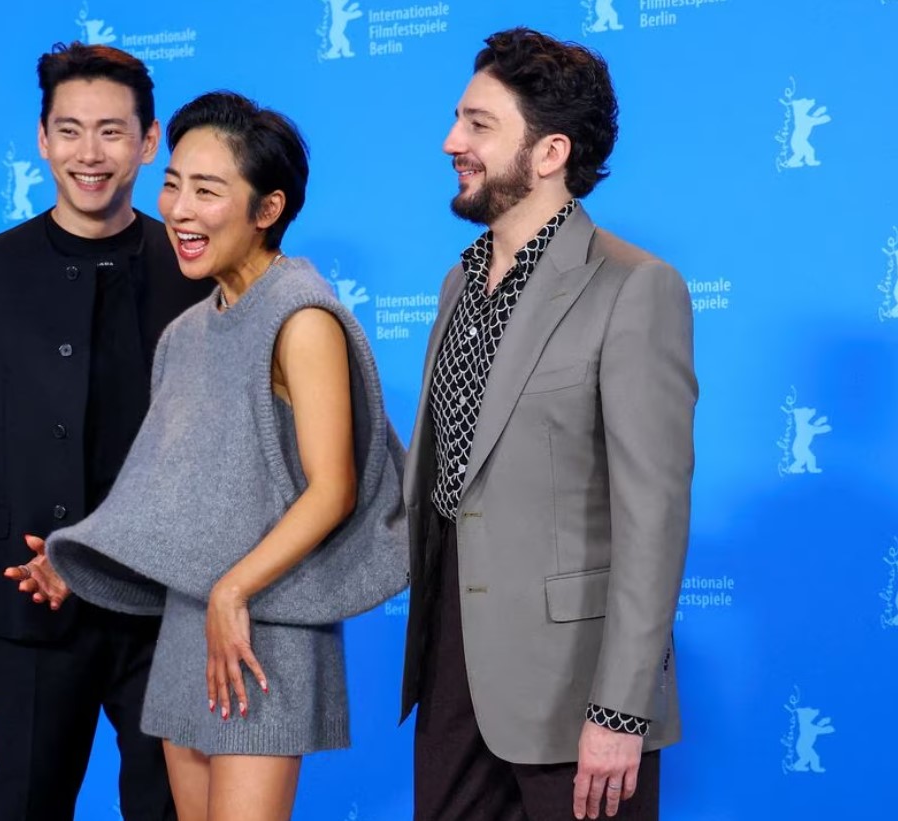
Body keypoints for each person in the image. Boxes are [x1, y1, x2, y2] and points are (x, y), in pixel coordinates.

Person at [6, 91, 408, 821]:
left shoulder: (302, 314)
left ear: (267, 208)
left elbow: (334, 489)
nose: (181, 210)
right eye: (174, 184)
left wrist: (233, 591)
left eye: (208, 190)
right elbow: (163, 498)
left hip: (265, 625)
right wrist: (74, 560)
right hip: (190, 625)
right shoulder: (185, 334)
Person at [399, 28, 697, 821]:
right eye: (458, 119)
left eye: (477, 124)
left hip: (576, 688)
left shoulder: (635, 287)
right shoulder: (456, 283)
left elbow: (654, 517)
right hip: (451, 668)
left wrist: (621, 710)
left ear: (549, 150)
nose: (450, 141)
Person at [0, 42, 211, 820]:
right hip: (29, 608)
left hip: (168, 612)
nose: (91, 154)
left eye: (113, 132)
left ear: (150, 144)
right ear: (42, 138)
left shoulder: (201, 275)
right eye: (71, 130)